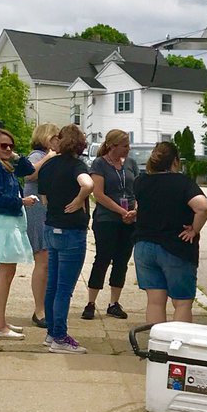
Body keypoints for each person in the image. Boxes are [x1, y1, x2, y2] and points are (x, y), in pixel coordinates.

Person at [133, 141, 207, 326]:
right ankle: (178, 342)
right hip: (175, 248)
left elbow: (140, 208)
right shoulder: (182, 182)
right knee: (182, 302)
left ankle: (157, 343)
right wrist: (194, 229)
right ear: (175, 161)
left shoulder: (141, 181)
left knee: (155, 301)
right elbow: (203, 207)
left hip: (144, 247)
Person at [0, 128, 42, 338]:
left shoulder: (4, 164)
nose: (8, 149)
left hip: (10, 221)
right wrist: (22, 201)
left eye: (11, 146)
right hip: (4, 222)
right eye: (3, 145)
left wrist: (14, 155)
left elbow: (28, 169)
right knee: (5, 273)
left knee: (9, 272)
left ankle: (1, 321)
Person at [37, 124, 94, 354]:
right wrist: (79, 200)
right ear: (80, 144)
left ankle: (51, 332)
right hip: (72, 231)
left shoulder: (48, 165)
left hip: (51, 227)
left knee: (52, 285)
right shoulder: (77, 165)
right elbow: (88, 184)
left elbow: (44, 198)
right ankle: (60, 337)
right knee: (64, 288)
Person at [82, 129, 139, 321]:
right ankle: (91, 302)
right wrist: (121, 211)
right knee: (103, 258)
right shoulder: (100, 164)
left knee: (122, 260)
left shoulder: (130, 163)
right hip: (107, 218)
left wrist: (134, 210)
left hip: (129, 219)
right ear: (112, 146)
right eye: (124, 146)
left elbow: (136, 190)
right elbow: (98, 194)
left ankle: (114, 302)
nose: (128, 149)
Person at [23, 122, 60, 326]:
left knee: (49, 261)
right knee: (42, 260)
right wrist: (49, 157)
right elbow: (29, 174)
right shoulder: (37, 156)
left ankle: (47, 306)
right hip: (37, 211)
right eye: (55, 137)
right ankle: (39, 310)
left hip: (49, 211)